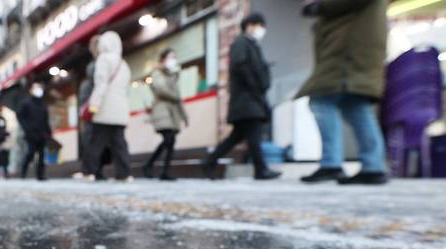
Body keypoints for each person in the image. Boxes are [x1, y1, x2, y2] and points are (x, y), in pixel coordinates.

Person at [299, 0, 389, 185]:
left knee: (321, 100)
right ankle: (373, 165)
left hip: (347, 50)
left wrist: (320, 6)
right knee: (354, 105)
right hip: (355, 47)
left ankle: (332, 163)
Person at [203, 13, 281, 181]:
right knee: (253, 135)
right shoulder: (241, 43)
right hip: (246, 99)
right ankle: (261, 169)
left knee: (237, 136)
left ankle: (209, 161)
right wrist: (255, 86)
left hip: (250, 99)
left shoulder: (252, 45)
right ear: (250, 25)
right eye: (260, 25)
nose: (262, 30)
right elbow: (241, 66)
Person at [86, 31, 133, 182]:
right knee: (120, 144)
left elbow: (101, 84)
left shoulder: (103, 59)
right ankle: (124, 174)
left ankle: (90, 171)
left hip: (104, 109)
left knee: (96, 142)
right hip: (120, 110)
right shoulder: (123, 63)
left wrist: (94, 104)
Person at [143, 48, 188, 181]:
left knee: (171, 141)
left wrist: (184, 116)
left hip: (173, 113)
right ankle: (149, 165)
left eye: (174, 57)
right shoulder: (157, 72)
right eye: (170, 57)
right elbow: (161, 89)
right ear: (163, 59)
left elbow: (178, 98)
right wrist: (173, 92)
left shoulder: (173, 75)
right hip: (162, 110)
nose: (173, 60)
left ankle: (164, 171)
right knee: (168, 139)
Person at [75, 36, 111, 181]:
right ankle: (92, 170)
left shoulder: (104, 63)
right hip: (94, 106)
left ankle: (94, 169)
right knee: (94, 139)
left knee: (101, 140)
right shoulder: (95, 67)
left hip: (101, 105)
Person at [17, 82, 52, 181]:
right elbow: (20, 115)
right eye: (36, 88)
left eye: (40, 88)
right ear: (31, 90)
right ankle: (23, 171)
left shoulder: (43, 104)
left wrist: (49, 132)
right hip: (31, 133)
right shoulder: (26, 103)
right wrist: (26, 128)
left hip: (42, 133)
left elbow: (46, 119)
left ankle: (40, 175)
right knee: (30, 153)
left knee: (42, 155)